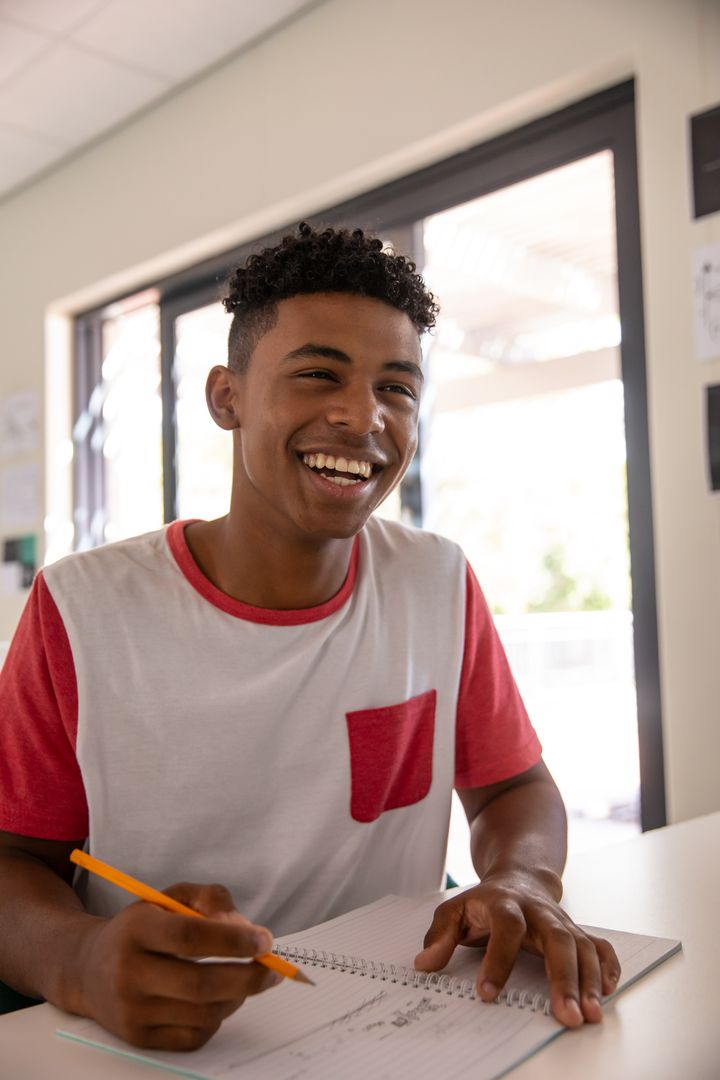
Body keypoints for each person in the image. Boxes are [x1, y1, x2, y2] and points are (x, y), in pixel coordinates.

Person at [0, 222, 619, 1051]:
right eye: (319, 373)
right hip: (160, 1044)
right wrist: (80, 959)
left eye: (396, 387)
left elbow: (514, 790)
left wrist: (522, 877)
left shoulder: (436, 582)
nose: (362, 416)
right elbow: (13, 864)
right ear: (227, 397)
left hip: (399, 1032)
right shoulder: (80, 607)